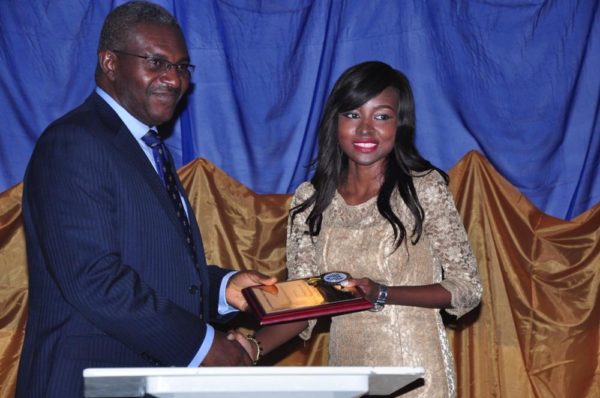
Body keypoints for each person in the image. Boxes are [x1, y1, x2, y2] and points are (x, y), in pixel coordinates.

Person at [16, 2, 275, 397]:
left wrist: (223, 288)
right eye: (156, 63)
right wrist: (205, 347)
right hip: (83, 383)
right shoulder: (74, 142)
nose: (173, 79)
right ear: (109, 62)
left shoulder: (151, 150)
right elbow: (95, 279)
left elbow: (152, 272)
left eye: (182, 67)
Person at [234, 61, 482, 398]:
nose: (366, 130)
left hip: (416, 374)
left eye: (381, 116)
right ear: (335, 122)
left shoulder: (423, 189)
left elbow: (466, 288)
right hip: (348, 375)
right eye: (352, 115)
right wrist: (249, 348)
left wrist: (383, 294)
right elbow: (304, 307)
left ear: (400, 124)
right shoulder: (310, 200)